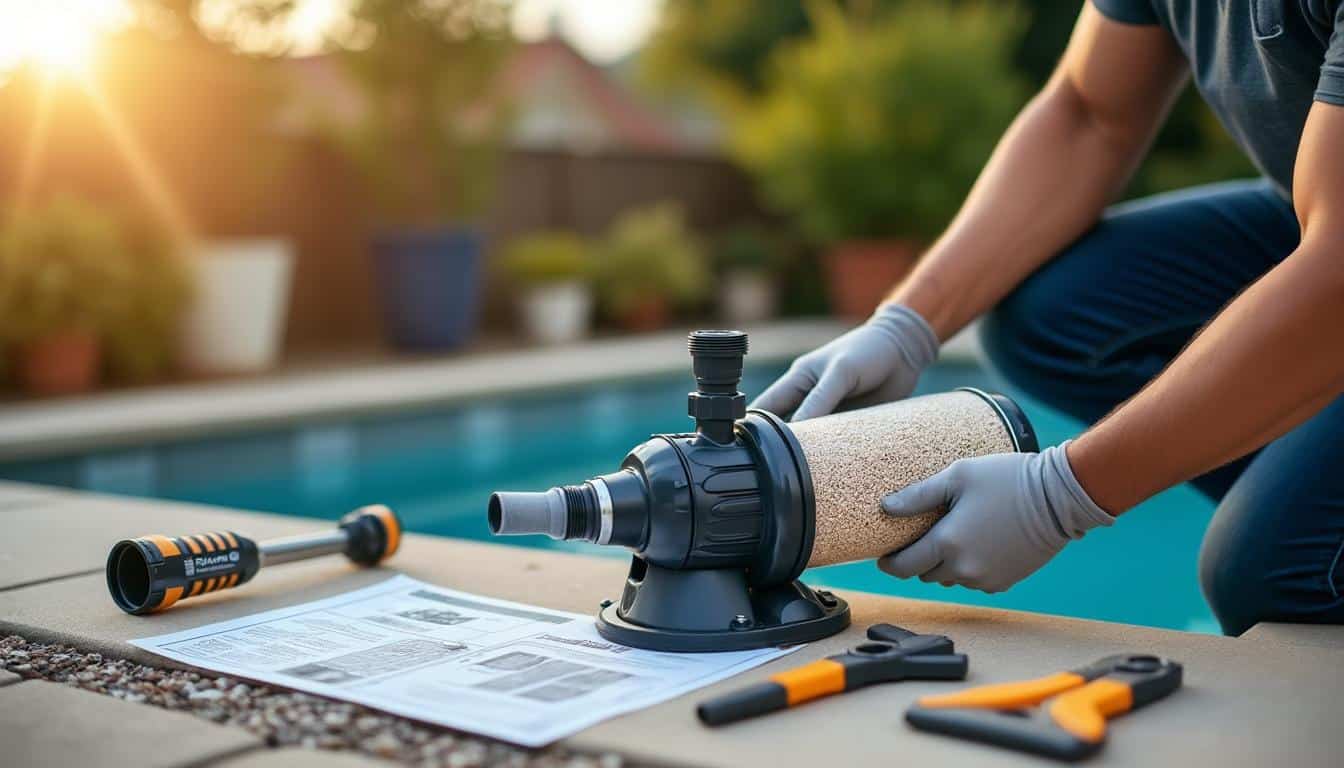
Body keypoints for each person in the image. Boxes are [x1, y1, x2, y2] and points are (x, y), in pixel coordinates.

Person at [752, 0, 1344, 636]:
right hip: (1308, 220)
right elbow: (1088, 115)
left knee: (1272, 567)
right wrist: (905, 324)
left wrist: (1060, 495)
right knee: (1050, 319)